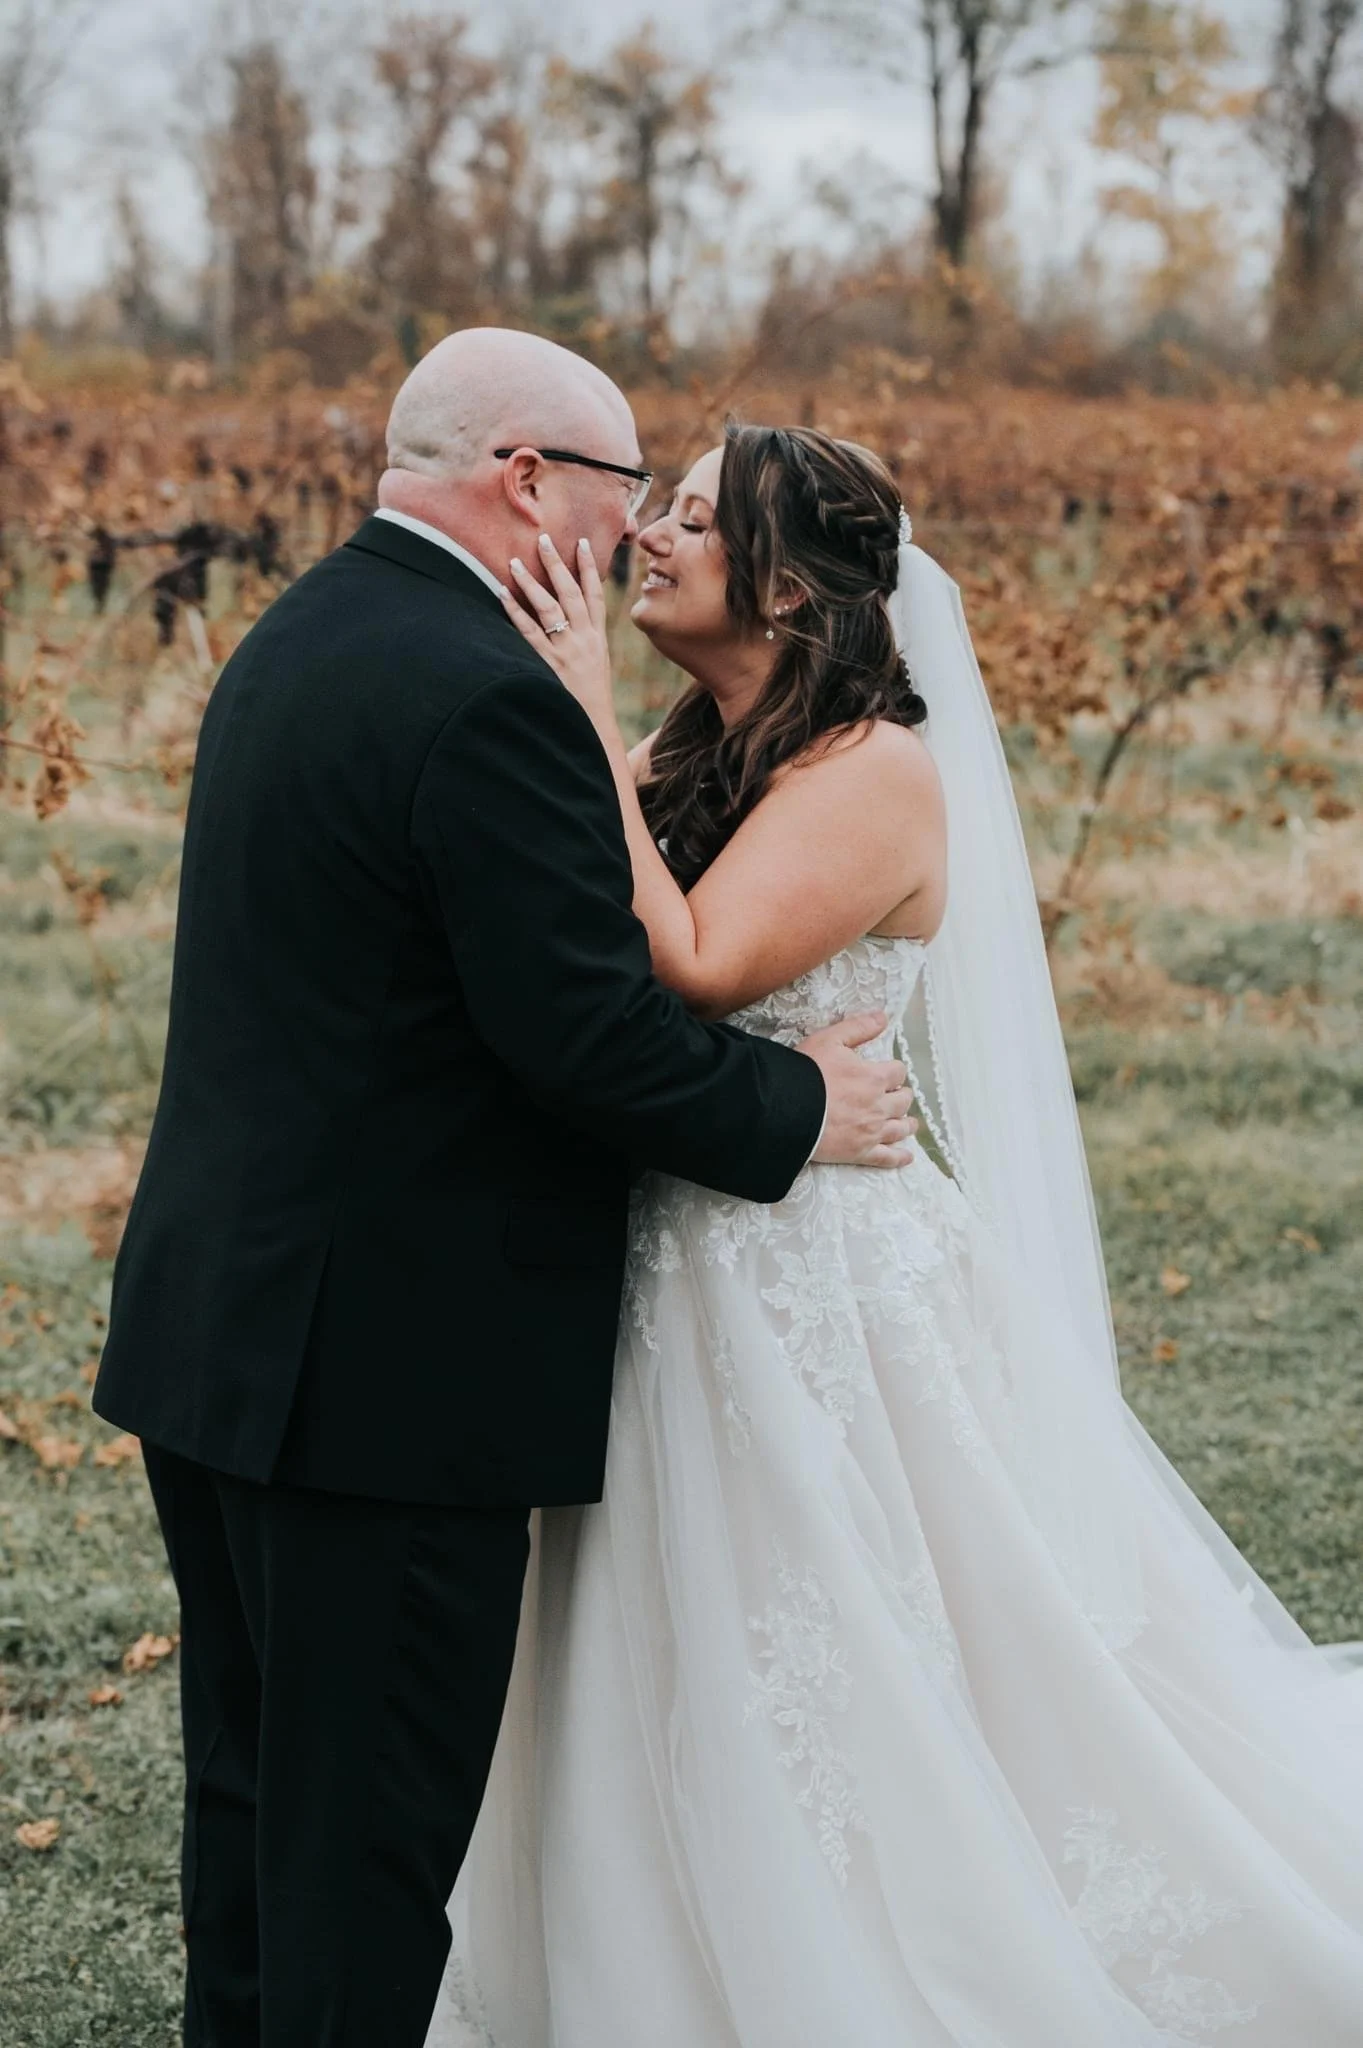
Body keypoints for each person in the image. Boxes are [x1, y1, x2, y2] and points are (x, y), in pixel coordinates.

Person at [432, 422, 1363, 2047]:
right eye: (659, 506)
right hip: (672, 1267)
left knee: (873, 1641)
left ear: (785, 586)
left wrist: (575, 699)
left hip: (815, 1286)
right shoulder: (696, 749)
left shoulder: (871, 770)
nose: (650, 534)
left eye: (694, 519)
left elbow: (703, 961)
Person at [92, 336, 919, 2048]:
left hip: (224, 1334)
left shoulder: (307, 630)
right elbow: (590, 1041)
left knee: (256, 1811)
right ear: (530, 478)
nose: (635, 538)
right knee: (365, 1851)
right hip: (382, 1384)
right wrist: (799, 1106)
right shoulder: (483, 693)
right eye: (629, 497)